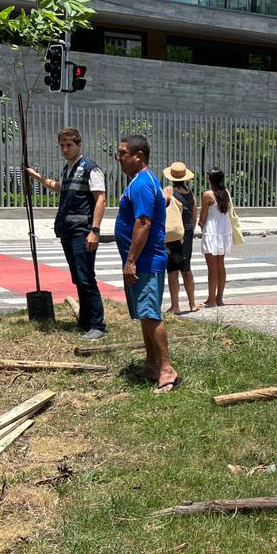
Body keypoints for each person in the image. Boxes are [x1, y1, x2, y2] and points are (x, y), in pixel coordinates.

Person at [25, 127, 106, 340]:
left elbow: (100, 199)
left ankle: (97, 325)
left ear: (79, 145)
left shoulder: (90, 168)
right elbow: (60, 188)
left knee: (86, 277)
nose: (65, 149)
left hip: (83, 231)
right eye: (62, 146)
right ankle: (85, 321)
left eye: (69, 145)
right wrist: (38, 177)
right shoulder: (68, 168)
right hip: (67, 232)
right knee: (78, 278)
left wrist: (94, 231)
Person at [114, 133, 180, 393]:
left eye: (123, 153)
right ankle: (152, 365)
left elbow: (144, 223)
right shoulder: (143, 181)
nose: (119, 158)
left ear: (138, 156)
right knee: (145, 314)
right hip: (143, 260)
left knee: (151, 315)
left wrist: (131, 261)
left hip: (145, 261)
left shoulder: (142, 183)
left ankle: (167, 369)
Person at [162, 161, 199, 315]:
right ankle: (192, 303)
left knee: (172, 271)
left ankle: (175, 305)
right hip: (187, 233)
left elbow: (161, 207)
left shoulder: (169, 191)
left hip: (174, 234)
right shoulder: (191, 194)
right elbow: (194, 217)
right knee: (186, 268)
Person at [198, 167, 233, 307]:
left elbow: (202, 218)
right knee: (220, 265)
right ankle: (219, 298)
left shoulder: (207, 195)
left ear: (210, 179)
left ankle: (211, 299)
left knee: (211, 268)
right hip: (223, 231)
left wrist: (200, 225)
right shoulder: (226, 193)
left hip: (211, 231)